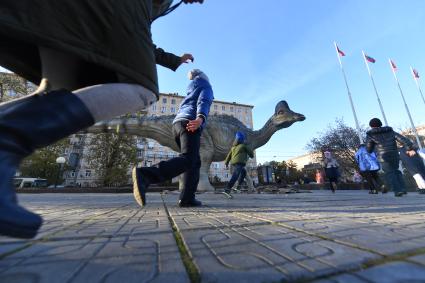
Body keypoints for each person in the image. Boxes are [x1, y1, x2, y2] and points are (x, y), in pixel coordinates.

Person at [0, 0, 205, 239]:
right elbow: (132, 29)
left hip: (66, 13)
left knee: (56, 89)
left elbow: (139, 38)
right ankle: (8, 136)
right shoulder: (203, 86)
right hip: (102, 12)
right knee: (141, 87)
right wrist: (200, 116)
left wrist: (173, 59)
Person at [132, 69, 213, 207]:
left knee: (194, 162)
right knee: (188, 159)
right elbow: (204, 100)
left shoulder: (190, 92)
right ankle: (145, 175)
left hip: (177, 124)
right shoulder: (206, 86)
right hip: (190, 123)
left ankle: (187, 198)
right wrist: (201, 117)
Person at [366, 118, 417, 197]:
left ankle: (397, 190)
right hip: (394, 154)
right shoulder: (390, 131)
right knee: (396, 171)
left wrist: (372, 149)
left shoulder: (370, 135)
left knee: (390, 173)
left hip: (383, 157)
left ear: (371, 126)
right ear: (380, 124)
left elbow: (369, 149)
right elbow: (403, 139)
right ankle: (403, 189)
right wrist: (409, 149)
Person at [223, 131, 254, 197]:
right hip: (240, 162)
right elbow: (251, 153)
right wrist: (251, 153)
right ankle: (227, 189)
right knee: (235, 175)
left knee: (243, 173)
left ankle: (237, 187)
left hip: (234, 163)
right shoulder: (243, 146)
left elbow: (229, 155)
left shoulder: (233, 147)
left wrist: (226, 163)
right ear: (242, 140)